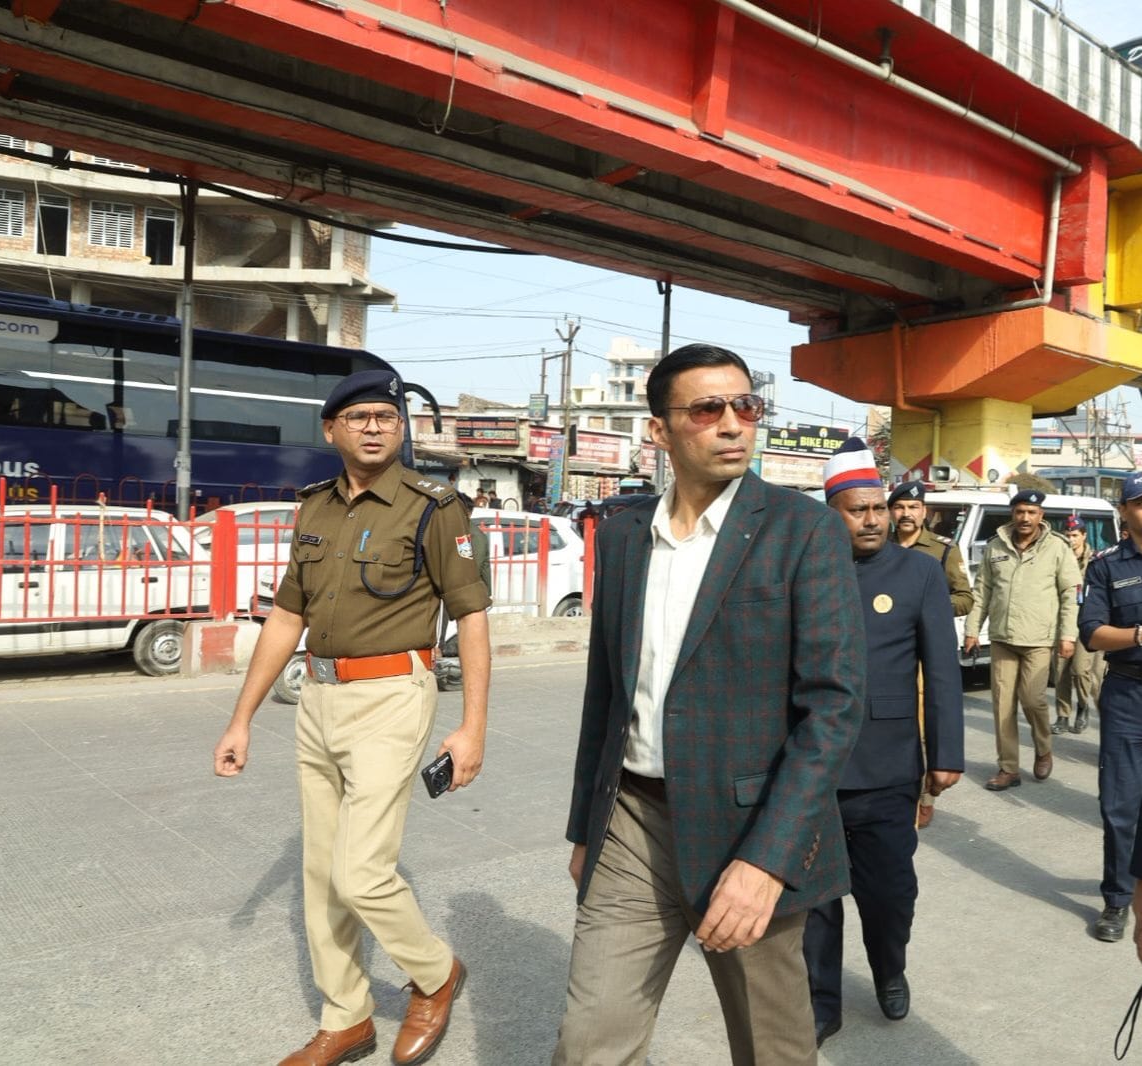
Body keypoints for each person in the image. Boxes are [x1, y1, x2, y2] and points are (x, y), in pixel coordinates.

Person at [552, 343, 866, 1066]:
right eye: (706, 409)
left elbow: (832, 707)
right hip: (631, 824)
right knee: (589, 1041)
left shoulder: (802, 530)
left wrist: (767, 861)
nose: (732, 423)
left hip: (746, 827)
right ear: (659, 431)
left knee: (771, 1048)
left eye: (745, 406)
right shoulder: (626, 534)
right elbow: (606, 694)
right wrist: (584, 829)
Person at [212, 369, 491, 1066]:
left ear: (401, 429)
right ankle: (347, 1018)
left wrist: (472, 728)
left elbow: (472, 619)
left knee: (361, 872)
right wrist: (241, 719)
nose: (373, 427)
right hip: (319, 697)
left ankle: (436, 972)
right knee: (321, 873)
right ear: (331, 429)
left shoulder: (434, 508)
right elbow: (288, 616)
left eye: (386, 417)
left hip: (392, 695)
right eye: (359, 417)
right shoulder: (314, 508)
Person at [804, 445, 963, 1048]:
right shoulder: (805, 568)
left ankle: (889, 969)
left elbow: (941, 669)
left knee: (890, 893)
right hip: (812, 767)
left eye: (879, 508)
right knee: (815, 900)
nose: (873, 520)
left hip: (888, 764)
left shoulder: (918, 573)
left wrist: (945, 753)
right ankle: (821, 1001)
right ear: (831, 513)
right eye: (858, 510)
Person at [964, 489, 1082, 791]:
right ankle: (1008, 768)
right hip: (1003, 638)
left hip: (1038, 639)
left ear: (1041, 515)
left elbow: (1070, 595)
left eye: (1031, 512)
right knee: (1002, 705)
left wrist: (1068, 635)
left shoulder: (1057, 547)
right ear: (1012, 514)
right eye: (1020, 512)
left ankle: (1043, 749)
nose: (1025, 518)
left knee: (1032, 699)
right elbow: (982, 591)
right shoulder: (996, 545)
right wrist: (972, 630)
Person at [888, 479, 973, 828]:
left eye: (913, 507)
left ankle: (925, 795)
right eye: (899, 507)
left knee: (925, 726)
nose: (906, 514)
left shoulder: (942, 550)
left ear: (924, 512)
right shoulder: (878, 545)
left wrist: (928, 607)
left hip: (926, 651)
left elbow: (965, 598)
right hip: (888, 652)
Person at [1079, 472, 1142, 943]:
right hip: (1127, 695)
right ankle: (1117, 900)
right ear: (1123, 511)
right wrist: (1139, 635)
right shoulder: (1105, 566)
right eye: (1139, 502)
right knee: (1120, 805)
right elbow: (1092, 633)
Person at [1053, 515, 1103, 735]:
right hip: (1063, 621)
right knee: (1060, 672)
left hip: (1087, 622)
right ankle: (1063, 715)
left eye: (1074, 535)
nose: (1071, 539)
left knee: (1081, 670)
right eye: (1068, 535)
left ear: (1084, 535)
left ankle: (1083, 706)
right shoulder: (1059, 558)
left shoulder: (1097, 560)